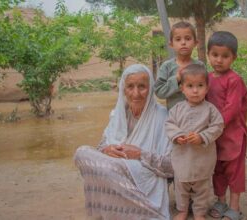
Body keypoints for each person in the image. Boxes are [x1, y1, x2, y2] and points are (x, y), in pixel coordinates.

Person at [74, 64, 173, 220]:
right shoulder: (119, 113)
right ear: (123, 89)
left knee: (110, 167)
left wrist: (140, 154)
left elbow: (172, 166)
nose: (136, 93)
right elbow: (101, 146)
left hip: (143, 172)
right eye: (130, 87)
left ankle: (144, 208)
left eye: (142, 87)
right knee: (81, 152)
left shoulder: (162, 116)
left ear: (151, 88)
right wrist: (107, 149)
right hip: (115, 167)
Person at [165, 64, 224, 220]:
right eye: (190, 86)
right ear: (182, 88)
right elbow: (169, 124)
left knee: (202, 188)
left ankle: (199, 212)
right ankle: (182, 210)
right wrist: (177, 136)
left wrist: (203, 137)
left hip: (202, 158)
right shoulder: (176, 109)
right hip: (182, 157)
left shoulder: (211, 109)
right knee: (181, 187)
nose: (195, 90)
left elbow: (218, 126)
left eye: (200, 85)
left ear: (207, 88)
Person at [206, 31, 247, 220]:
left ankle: (235, 207)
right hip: (215, 136)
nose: (219, 60)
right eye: (215, 55)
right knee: (218, 170)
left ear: (233, 58)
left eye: (225, 56)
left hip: (233, 136)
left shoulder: (234, 80)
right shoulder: (207, 78)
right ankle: (221, 201)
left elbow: (231, 109)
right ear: (208, 54)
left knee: (234, 172)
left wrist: (213, 126)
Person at [155, 21, 204, 110]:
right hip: (174, 118)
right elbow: (159, 92)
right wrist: (176, 79)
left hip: (197, 116)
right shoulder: (166, 67)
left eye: (188, 38)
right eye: (178, 39)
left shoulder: (199, 66)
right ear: (171, 44)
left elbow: (206, 89)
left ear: (195, 43)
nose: (183, 42)